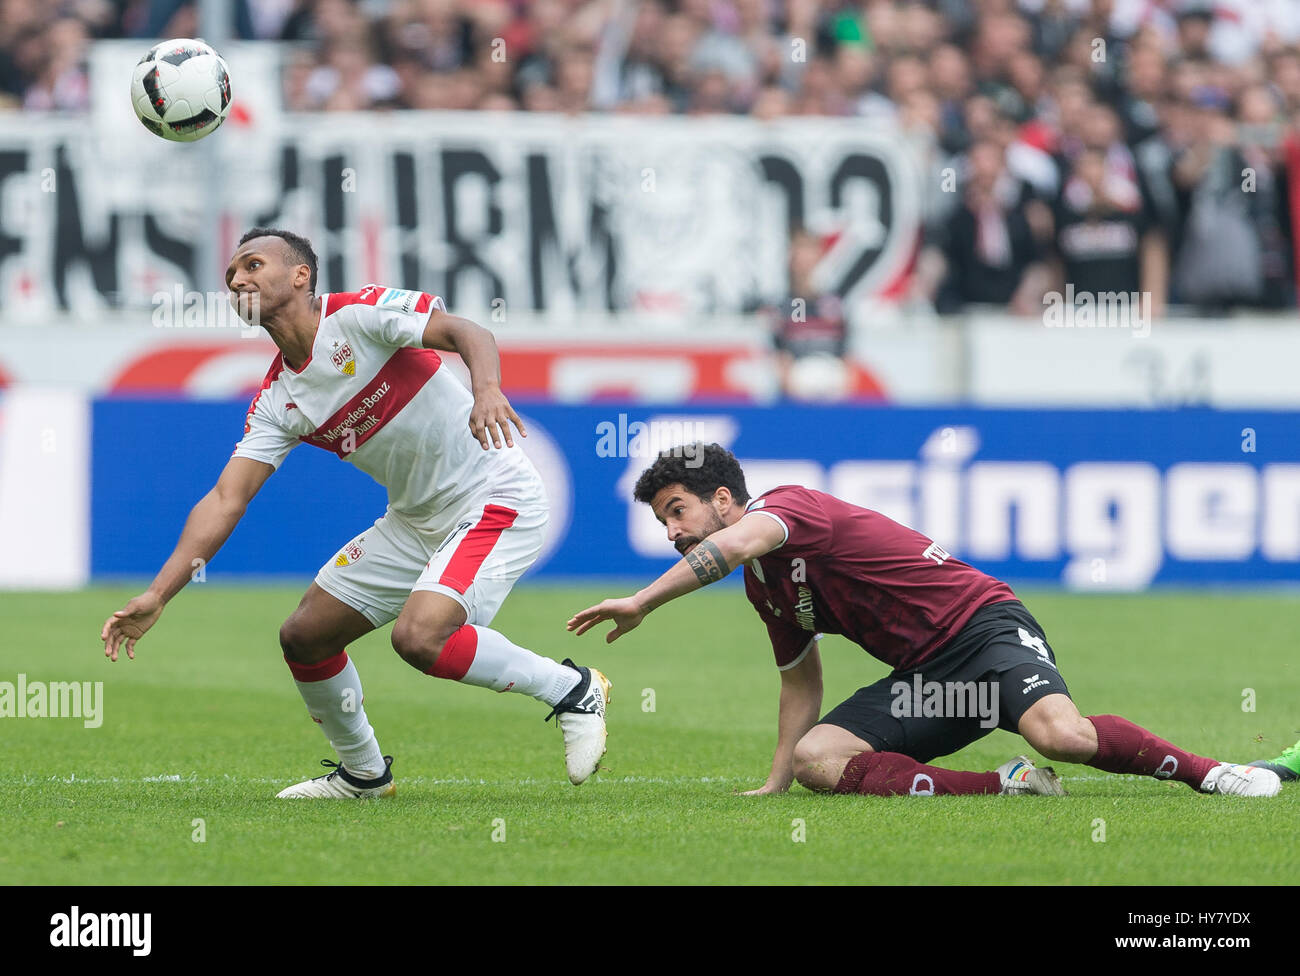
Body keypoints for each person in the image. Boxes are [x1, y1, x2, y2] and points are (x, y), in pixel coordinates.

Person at [100, 227, 611, 798]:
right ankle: (364, 774)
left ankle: (572, 688)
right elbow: (227, 498)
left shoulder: (358, 315)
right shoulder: (278, 400)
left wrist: (487, 388)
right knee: (305, 636)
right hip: (415, 520)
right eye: (231, 276)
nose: (238, 279)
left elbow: (469, 330)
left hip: (494, 495)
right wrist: (159, 594)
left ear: (301, 275)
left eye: (252, 264)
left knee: (421, 639)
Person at [567, 443, 1279, 799]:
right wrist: (779, 777)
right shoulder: (766, 589)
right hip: (931, 680)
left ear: (723, 499)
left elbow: (734, 547)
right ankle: (1009, 786)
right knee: (821, 760)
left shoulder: (786, 510)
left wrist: (641, 601)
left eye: (677, 513)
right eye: (663, 521)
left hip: (986, 629)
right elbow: (798, 679)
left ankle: (1216, 774)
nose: (670, 531)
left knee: (1062, 734)